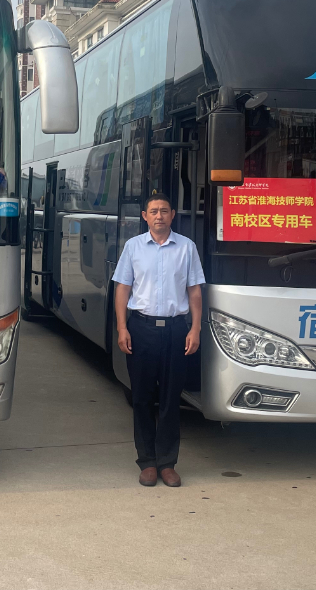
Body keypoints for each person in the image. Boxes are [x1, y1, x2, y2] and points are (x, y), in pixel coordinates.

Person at [112, 191, 205, 487]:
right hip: (141, 329)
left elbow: (194, 291)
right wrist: (122, 327)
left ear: (172, 215)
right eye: (153, 212)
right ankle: (147, 461)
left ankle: (167, 463)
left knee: (170, 399)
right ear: (145, 216)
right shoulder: (133, 247)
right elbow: (123, 288)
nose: (159, 216)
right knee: (141, 398)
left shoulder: (186, 247)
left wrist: (195, 328)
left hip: (176, 330)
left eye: (164, 211)